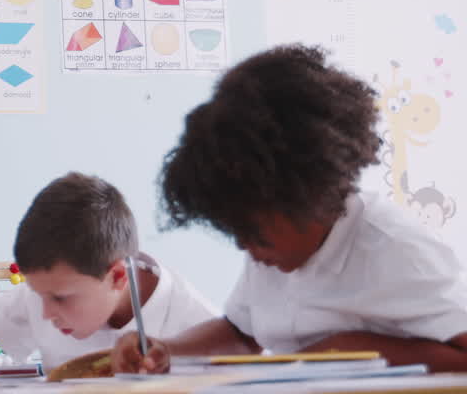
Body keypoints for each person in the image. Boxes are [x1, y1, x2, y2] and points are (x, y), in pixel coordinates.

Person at [112, 44, 467, 374]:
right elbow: (242, 334)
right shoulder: (271, 256)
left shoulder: (397, 251)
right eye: (234, 230)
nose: (243, 247)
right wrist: (166, 349)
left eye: (252, 232)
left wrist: (353, 350)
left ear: (306, 194)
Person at [0, 172, 215, 373]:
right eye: (38, 294)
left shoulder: (198, 326)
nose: (45, 312)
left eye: (60, 299)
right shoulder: (49, 293)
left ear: (117, 277)